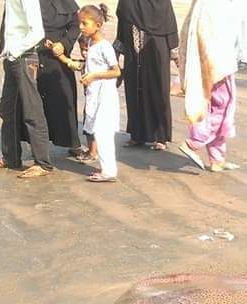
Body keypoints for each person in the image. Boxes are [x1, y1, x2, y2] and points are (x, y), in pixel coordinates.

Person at [0, 0, 54, 178]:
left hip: (24, 57)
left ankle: (42, 164)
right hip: (12, 57)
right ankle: (11, 157)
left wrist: (15, 50)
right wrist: (7, 51)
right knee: (7, 109)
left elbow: (37, 32)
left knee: (32, 110)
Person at [178, 0, 239, 172]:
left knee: (216, 107)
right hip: (216, 66)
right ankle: (194, 143)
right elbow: (210, 37)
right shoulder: (211, 5)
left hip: (213, 64)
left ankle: (217, 159)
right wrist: (216, 68)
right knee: (222, 106)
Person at [116, 0, 178, 150]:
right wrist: (117, 50)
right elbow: (122, 20)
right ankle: (136, 135)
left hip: (157, 48)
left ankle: (160, 136)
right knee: (134, 89)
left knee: (158, 90)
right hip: (133, 45)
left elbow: (169, 23)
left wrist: (175, 52)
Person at [75, 4, 121, 182]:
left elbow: (116, 71)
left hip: (105, 95)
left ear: (97, 25)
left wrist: (94, 75)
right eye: (80, 23)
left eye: (85, 23)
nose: (81, 27)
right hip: (95, 94)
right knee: (97, 130)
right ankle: (106, 168)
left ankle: (108, 171)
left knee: (103, 132)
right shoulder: (90, 43)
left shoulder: (104, 47)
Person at [33, 0, 82, 157]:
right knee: (33, 101)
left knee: (64, 97)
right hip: (33, 55)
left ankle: (72, 141)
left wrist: (64, 43)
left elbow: (75, 26)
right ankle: (36, 144)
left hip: (59, 58)